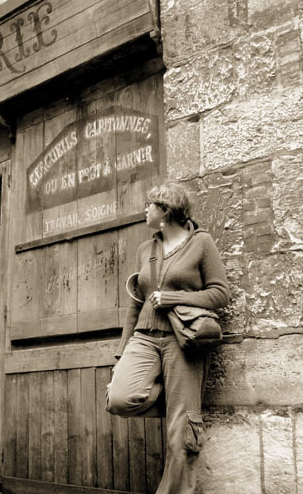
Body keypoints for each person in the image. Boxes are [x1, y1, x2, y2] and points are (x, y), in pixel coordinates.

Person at [106, 183, 230, 494]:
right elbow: (135, 305)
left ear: (165, 210)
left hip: (183, 340)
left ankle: (184, 413)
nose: (144, 210)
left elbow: (220, 293)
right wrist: (121, 355)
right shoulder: (145, 250)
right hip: (145, 337)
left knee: (181, 432)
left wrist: (175, 298)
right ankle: (181, 400)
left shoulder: (201, 243)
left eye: (149, 205)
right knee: (119, 397)